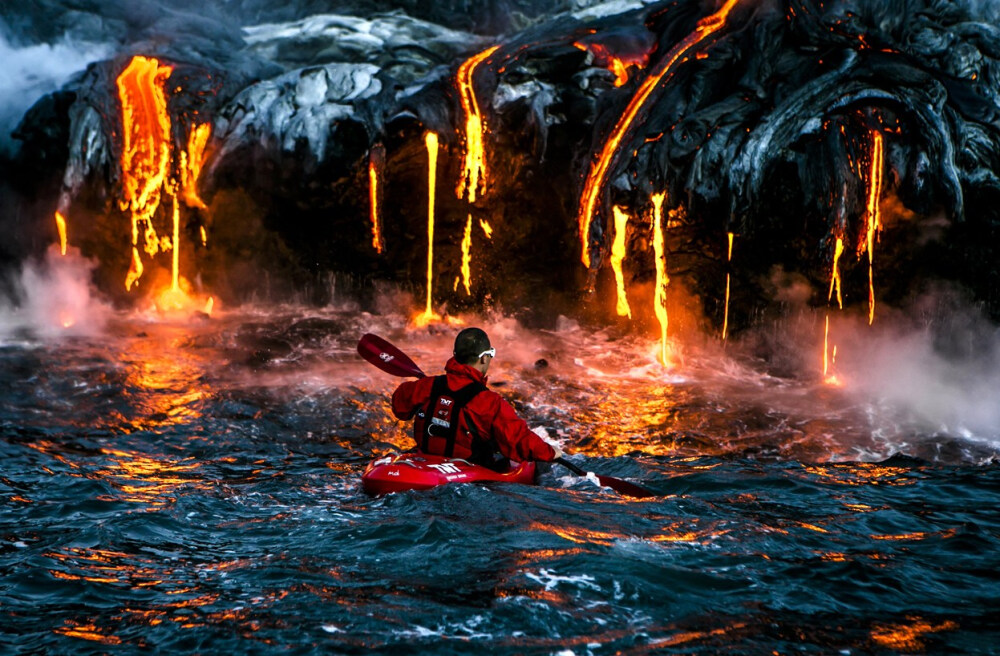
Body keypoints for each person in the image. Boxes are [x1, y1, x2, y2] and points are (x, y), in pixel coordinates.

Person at [391, 327, 564, 470]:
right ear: (483, 358)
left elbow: (399, 407)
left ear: (455, 355)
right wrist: (550, 452)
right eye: (491, 354)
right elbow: (518, 439)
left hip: (422, 464)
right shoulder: (489, 402)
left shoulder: (426, 386)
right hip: (466, 473)